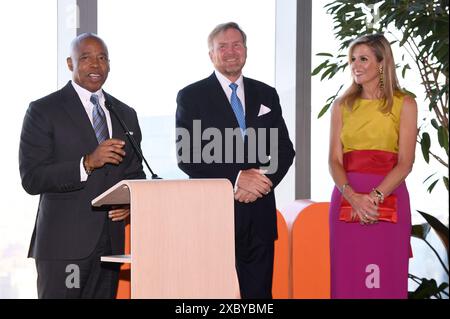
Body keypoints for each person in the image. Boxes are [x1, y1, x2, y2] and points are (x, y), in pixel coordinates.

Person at [19, 33, 146, 298]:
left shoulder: (125, 114)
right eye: (86, 58)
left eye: (102, 58)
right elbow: (32, 178)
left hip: (111, 246)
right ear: (70, 63)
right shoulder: (44, 110)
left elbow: (135, 172)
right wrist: (86, 163)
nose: (95, 65)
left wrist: (128, 201)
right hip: (64, 248)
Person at [176, 22, 295, 298]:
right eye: (222, 46)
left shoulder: (266, 94)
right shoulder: (191, 96)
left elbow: (284, 150)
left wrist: (261, 182)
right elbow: (188, 155)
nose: (231, 52)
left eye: (237, 45)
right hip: (213, 216)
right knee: (212, 295)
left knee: (259, 298)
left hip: (260, 216)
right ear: (211, 54)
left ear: (246, 50)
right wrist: (238, 178)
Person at [328, 34, 417, 298]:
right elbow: (333, 160)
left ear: (381, 63)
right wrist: (353, 197)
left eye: (363, 59)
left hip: (389, 196)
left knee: (386, 277)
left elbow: (405, 163)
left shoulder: (405, 104)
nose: (355, 64)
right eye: (353, 59)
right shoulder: (341, 106)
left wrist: (374, 198)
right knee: (348, 277)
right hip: (347, 197)